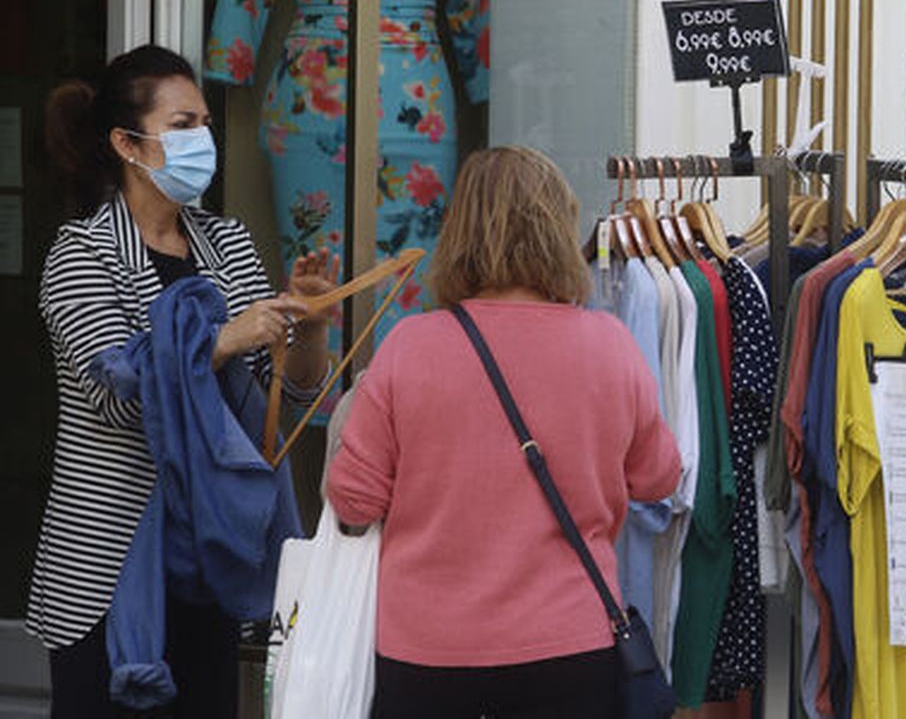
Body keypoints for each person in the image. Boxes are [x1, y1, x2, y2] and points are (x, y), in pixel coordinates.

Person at [32, 44, 337, 717]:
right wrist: (228, 337)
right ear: (126, 143)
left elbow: (279, 403)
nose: (202, 138)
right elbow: (118, 395)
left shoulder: (226, 243)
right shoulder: (79, 252)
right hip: (108, 572)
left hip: (208, 562)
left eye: (203, 121)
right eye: (182, 124)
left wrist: (308, 329)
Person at [325, 146, 682, 719]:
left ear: (458, 232)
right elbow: (657, 477)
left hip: (427, 654)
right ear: (558, 230)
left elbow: (355, 499)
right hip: (571, 645)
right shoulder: (610, 346)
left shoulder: (410, 348)